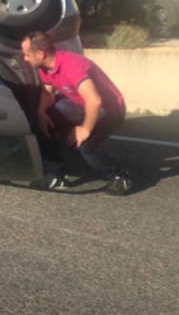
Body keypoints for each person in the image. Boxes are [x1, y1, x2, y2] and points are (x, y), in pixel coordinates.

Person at [21, 30, 132, 195]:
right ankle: (56, 176)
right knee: (42, 123)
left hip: (110, 110)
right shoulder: (45, 67)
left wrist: (84, 129)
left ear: (41, 54)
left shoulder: (72, 65)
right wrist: (41, 113)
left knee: (85, 147)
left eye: (27, 55)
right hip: (80, 104)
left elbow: (95, 100)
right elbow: (47, 91)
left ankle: (119, 176)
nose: (25, 59)